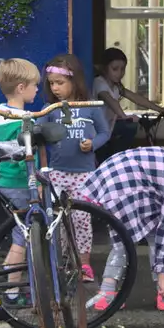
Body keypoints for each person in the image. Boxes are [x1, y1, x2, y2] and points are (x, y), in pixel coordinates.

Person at [79, 146, 164, 311]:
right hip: (122, 184)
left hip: (115, 174)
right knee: (126, 238)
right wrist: (162, 278)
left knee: (137, 235)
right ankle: (109, 292)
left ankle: (162, 291)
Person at [40, 53, 110, 281]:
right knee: (59, 221)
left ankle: (85, 265)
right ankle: (63, 263)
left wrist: (93, 144)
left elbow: (104, 132)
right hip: (58, 173)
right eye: (52, 84)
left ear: (75, 81)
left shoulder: (90, 108)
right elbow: (37, 134)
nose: (55, 88)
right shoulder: (49, 110)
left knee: (81, 219)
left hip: (85, 175)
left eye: (60, 83)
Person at [0, 57, 39, 302]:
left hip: (1, 181)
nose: (38, 89)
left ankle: (11, 281)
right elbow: (29, 155)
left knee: (19, 230)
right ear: (21, 88)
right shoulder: (25, 120)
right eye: (34, 85)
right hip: (20, 183)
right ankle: (12, 290)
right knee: (23, 235)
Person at [92, 47, 164, 161]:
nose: (119, 73)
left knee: (130, 130)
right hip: (96, 133)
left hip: (108, 130)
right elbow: (111, 101)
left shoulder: (117, 86)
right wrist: (124, 116)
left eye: (122, 69)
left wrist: (159, 109)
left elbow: (136, 98)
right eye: (115, 69)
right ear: (105, 69)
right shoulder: (99, 83)